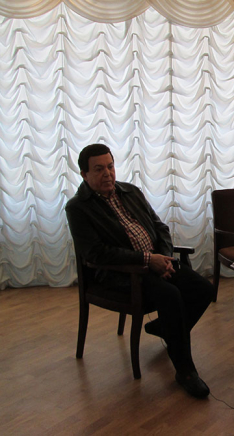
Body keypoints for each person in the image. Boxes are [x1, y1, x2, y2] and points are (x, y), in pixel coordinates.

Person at [66, 143, 214, 398]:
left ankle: (165, 329)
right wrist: (148, 260)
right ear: (84, 174)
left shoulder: (130, 191)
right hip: (122, 274)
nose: (108, 173)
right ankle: (185, 371)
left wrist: (164, 259)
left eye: (110, 166)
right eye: (99, 169)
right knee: (170, 296)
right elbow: (96, 253)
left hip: (155, 263)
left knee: (204, 289)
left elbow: (160, 228)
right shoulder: (78, 207)